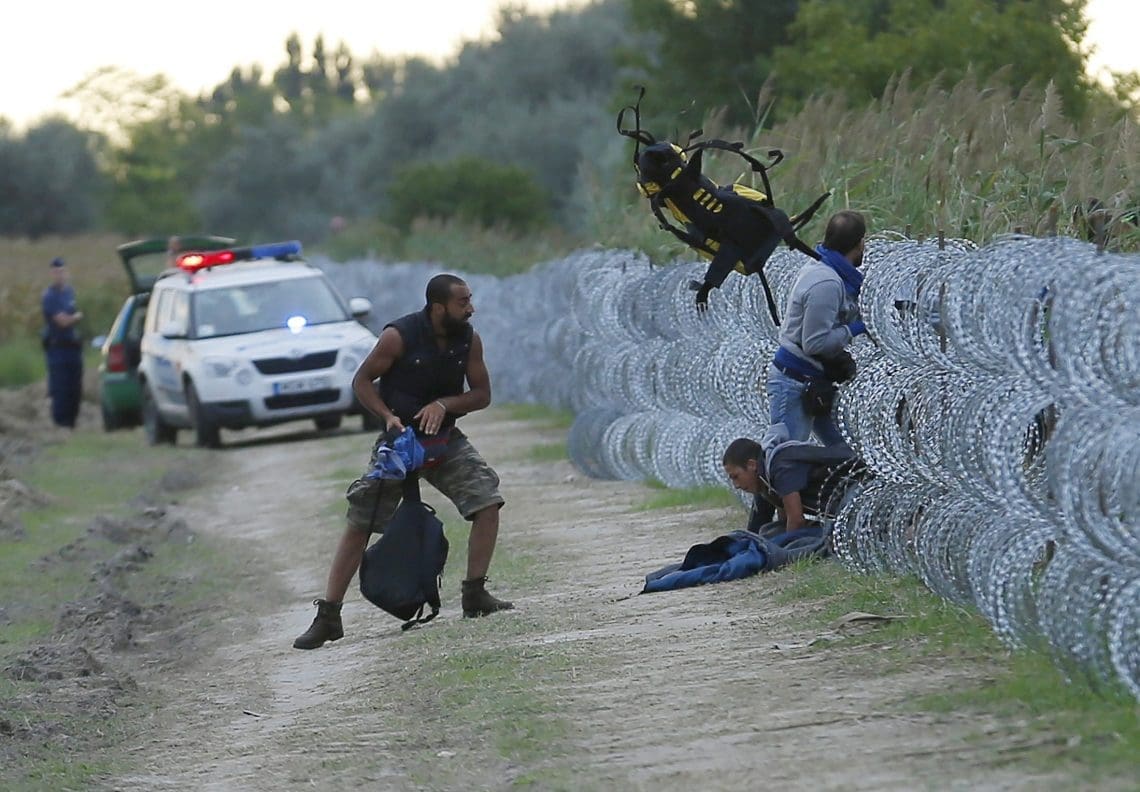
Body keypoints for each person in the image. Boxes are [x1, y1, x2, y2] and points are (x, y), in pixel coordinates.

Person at [294, 274, 512, 650]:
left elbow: (481, 394)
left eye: (470, 300)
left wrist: (445, 404)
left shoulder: (468, 340)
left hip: (443, 440)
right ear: (438, 307)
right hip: (399, 443)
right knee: (361, 519)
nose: (471, 308)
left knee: (487, 501)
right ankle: (329, 615)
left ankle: (475, 594)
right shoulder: (399, 336)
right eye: (463, 302)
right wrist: (387, 416)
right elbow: (362, 382)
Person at [766, 210, 867, 446]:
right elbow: (815, 343)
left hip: (813, 381)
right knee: (785, 458)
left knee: (845, 454)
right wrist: (856, 329)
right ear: (859, 243)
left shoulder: (831, 272)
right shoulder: (827, 283)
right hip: (794, 382)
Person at [721, 428, 865, 537]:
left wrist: (783, 549)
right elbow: (785, 516)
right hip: (845, 498)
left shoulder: (780, 466)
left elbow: (796, 519)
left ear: (752, 465)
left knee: (833, 534)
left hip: (860, 487)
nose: (737, 485)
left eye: (736, 476)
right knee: (769, 532)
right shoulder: (768, 473)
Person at [41, 257, 84, 428]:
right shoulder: (49, 296)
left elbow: (69, 316)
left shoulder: (69, 292)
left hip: (72, 347)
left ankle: (72, 422)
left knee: (75, 387)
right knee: (61, 388)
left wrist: (72, 318)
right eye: (56, 272)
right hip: (57, 348)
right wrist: (76, 317)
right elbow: (62, 321)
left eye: (62, 272)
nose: (60, 275)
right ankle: (61, 424)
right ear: (52, 274)